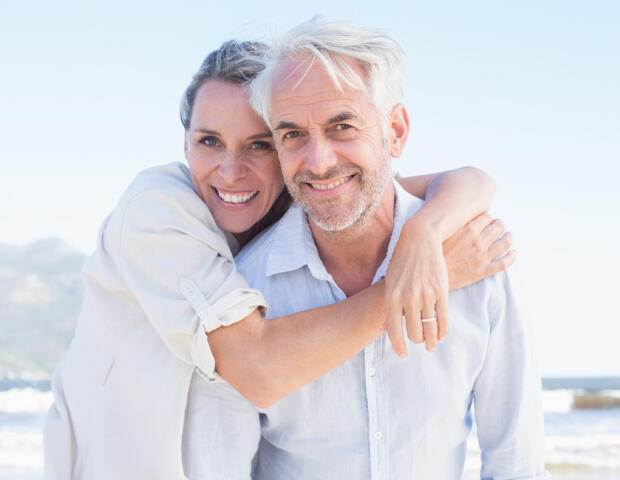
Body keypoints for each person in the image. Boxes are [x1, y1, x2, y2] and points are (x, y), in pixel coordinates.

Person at [43, 40, 512, 480]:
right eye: (209, 141)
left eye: (260, 144)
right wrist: (416, 284)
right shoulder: (157, 209)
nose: (231, 170)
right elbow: (256, 368)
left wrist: (424, 234)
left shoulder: (298, 202)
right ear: (184, 142)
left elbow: (456, 181)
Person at [221, 20, 548, 479]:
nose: (318, 162)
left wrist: (423, 233)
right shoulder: (244, 287)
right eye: (292, 134)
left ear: (394, 131)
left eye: (342, 126)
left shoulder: (479, 258)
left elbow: (517, 464)